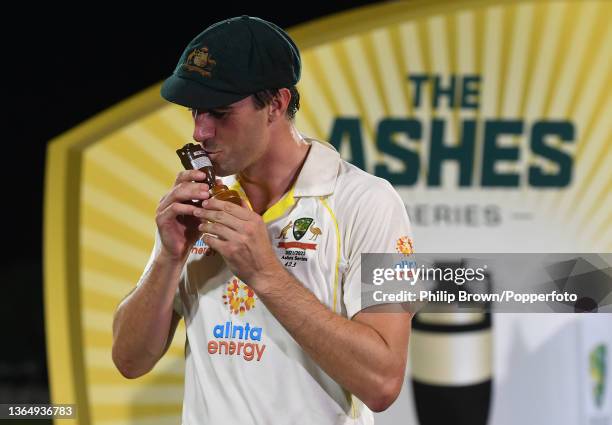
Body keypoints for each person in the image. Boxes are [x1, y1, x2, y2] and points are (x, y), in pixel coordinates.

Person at [112, 15, 414, 425]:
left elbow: (383, 383)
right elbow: (129, 361)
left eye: (220, 112)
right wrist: (169, 257)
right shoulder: (199, 201)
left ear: (277, 103)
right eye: (196, 111)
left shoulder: (371, 202)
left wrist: (266, 273)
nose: (201, 131)